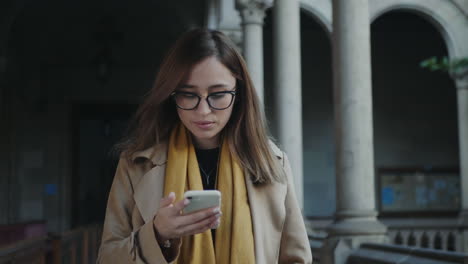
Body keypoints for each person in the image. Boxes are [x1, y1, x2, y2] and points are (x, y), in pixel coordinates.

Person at [97, 28, 312, 264]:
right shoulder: (135, 164)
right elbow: (107, 258)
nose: (203, 111)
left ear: (238, 94)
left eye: (218, 94)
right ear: (171, 95)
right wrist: (157, 233)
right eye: (188, 95)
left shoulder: (273, 161)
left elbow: (296, 258)